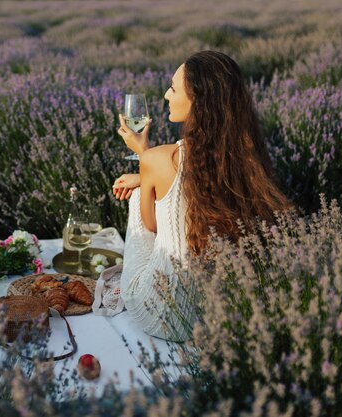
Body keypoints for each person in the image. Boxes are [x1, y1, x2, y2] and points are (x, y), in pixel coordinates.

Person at [112, 50, 294, 341]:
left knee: (138, 198)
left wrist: (143, 160)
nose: (165, 96)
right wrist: (148, 171)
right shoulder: (245, 158)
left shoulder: (159, 158)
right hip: (218, 313)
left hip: (160, 311)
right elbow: (188, 187)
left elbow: (152, 226)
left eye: (173, 88)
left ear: (197, 97)